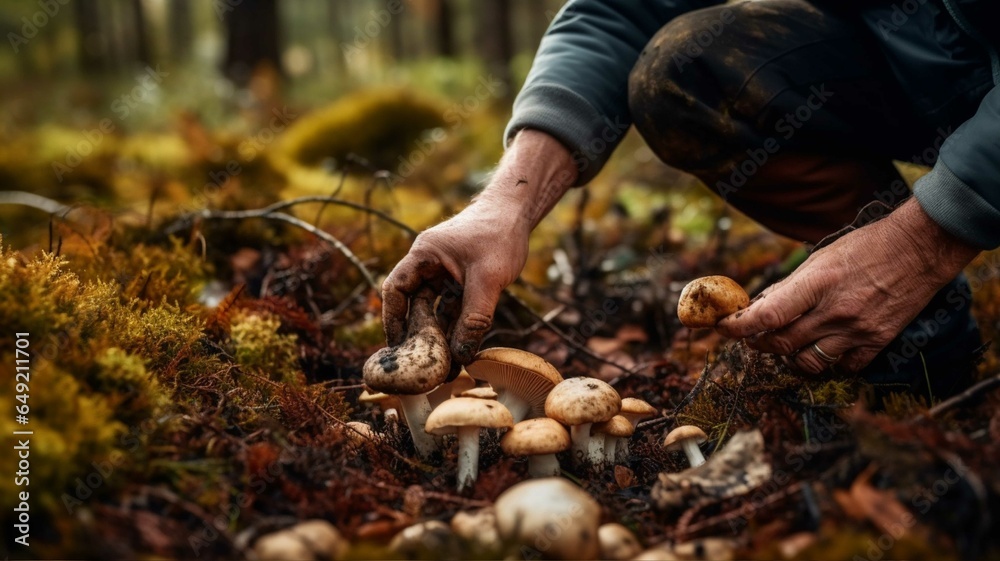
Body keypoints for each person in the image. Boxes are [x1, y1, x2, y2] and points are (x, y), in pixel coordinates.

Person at [382, 0, 998, 398]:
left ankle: (899, 282)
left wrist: (927, 239)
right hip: (915, 66)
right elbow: (618, 12)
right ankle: (913, 338)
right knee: (687, 67)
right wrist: (505, 206)